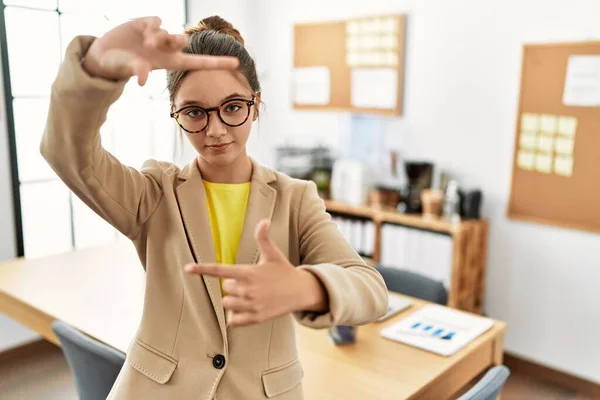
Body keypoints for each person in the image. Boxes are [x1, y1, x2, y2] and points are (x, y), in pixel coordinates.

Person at [41, 15, 388, 400]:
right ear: (175, 113)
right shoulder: (155, 193)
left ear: (256, 105)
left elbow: (370, 290)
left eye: (233, 106)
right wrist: (94, 69)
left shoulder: (296, 199)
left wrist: (307, 287)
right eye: (195, 112)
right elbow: (67, 153)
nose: (216, 129)